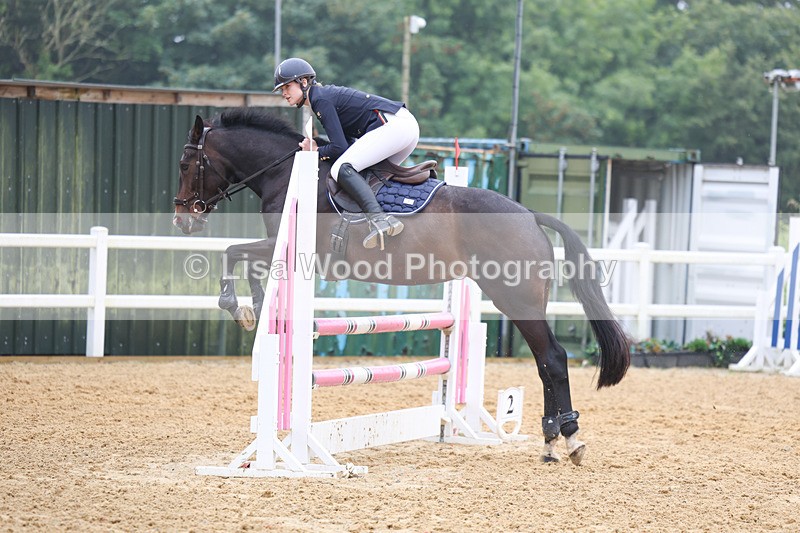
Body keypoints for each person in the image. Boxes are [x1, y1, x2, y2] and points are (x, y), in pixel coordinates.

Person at [274, 57, 420, 249]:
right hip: (404, 128)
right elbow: (347, 145)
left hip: (395, 126)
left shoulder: (320, 99)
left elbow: (339, 148)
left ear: (303, 82)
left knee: (342, 168)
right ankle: (394, 217)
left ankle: (379, 220)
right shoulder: (321, 98)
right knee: (369, 175)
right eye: (282, 90)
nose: (284, 93)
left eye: (287, 87)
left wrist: (315, 152)